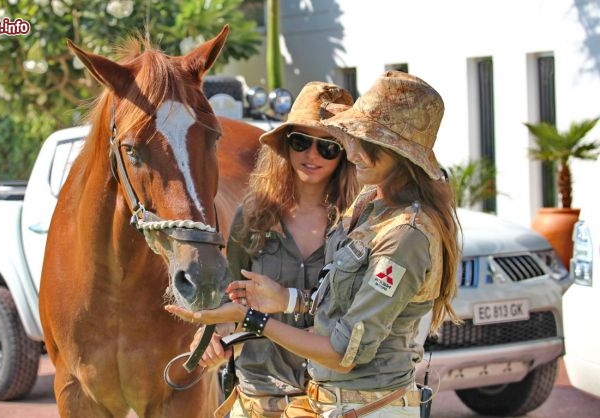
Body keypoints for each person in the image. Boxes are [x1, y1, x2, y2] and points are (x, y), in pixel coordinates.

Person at [166, 71, 462, 418]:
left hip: (360, 404)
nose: (354, 151)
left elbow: (344, 349)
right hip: (283, 396)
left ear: (399, 154)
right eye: (300, 141)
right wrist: (229, 324)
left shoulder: (402, 231)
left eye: (333, 144)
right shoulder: (367, 211)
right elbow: (333, 304)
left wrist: (252, 318)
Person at [190, 81, 360, 418]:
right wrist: (209, 335)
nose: (311, 155)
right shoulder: (253, 216)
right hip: (260, 396)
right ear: (285, 145)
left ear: (345, 154)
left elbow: (366, 314)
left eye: (327, 146)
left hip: (335, 400)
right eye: (300, 142)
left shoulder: (359, 223)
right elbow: (230, 296)